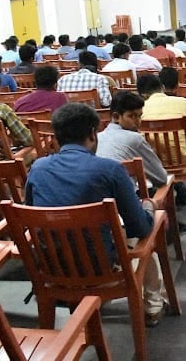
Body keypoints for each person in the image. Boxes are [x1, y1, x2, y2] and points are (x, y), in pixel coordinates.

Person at [25, 103, 170, 325]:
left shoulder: (38, 168)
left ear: (56, 136)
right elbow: (140, 227)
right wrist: (149, 205)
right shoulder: (110, 170)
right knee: (146, 234)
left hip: (52, 268)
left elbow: (32, 215)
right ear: (93, 134)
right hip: (102, 270)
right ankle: (153, 305)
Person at [96, 90, 167, 189]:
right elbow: (161, 178)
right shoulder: (135, 138)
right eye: (132, 116)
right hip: (125, 200)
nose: (138, 122)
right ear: (116, 117)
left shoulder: (97, 138)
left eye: (140, 116)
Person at [139, 70, 186, 160]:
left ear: (141, 95)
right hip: (184, 163)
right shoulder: (183, 102)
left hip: (154, 166)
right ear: (162, 87)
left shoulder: (140, 111)